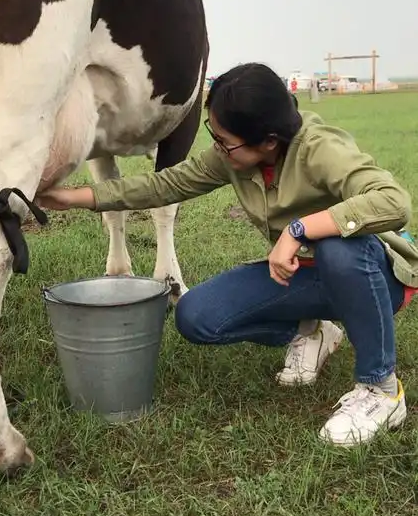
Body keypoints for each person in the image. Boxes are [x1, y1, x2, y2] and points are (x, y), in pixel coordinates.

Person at [37, 63, 418, 446]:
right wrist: (74, 198)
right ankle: (311, 331)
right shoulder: (232, 157)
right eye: (213, 134)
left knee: (338, 249)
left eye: (225, 140)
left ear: (268, 141)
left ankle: (380, 389)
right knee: (197, 317)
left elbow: (393, 202)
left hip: (372, 276)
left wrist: (298, 229)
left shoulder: (320, 149)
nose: (217, 147)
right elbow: (164, 185)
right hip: (302, 276)